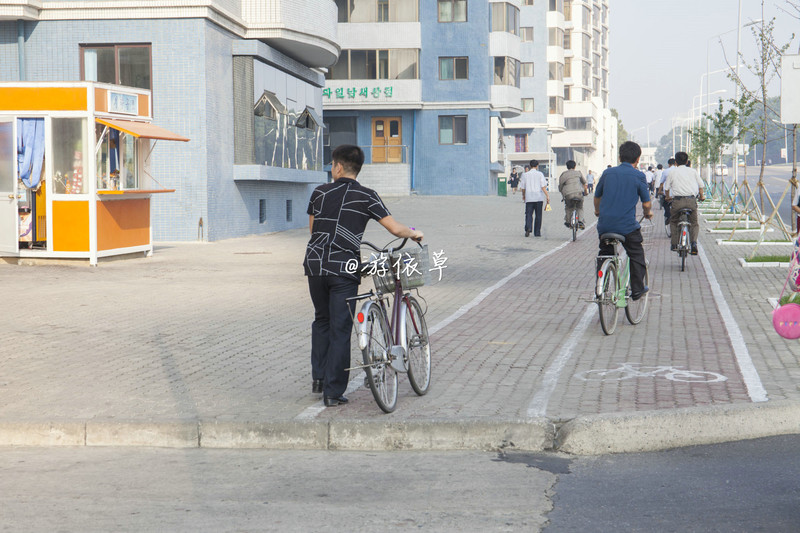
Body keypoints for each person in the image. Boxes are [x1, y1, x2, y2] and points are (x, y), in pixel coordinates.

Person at [304, 144, 423, 407]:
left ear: (337, 167)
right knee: (340, 327)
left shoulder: (319, 192)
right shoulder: (367, 195)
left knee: (321, 320)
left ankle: (319, 379)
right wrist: (413, 231)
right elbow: (394, 228)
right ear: (358, 168)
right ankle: (333, 392)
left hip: (314, 265)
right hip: (344, 269)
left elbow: (313, 230)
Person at [594, 141, 653, 300]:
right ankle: (637, 289)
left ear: (619, 157)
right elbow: (646, 203)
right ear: (638, 159)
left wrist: (598, 211)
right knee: (636, 254)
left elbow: (597, 196)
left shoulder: (607, 173)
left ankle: (601, 287)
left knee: (605, 253)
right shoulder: (639, 176)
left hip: (605, 226)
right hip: (627, 227)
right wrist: (648, 213)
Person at [664, 151, 705, 255]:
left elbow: (667, 188)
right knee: (694, 223)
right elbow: (701, 185)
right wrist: (702, 196)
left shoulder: (672, 172)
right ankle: (694, 243)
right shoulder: (693, 171)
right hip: (691, 201)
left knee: (673, 221)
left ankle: (674, 243)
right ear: (687, 161)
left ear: (675, 162)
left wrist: (668, 197)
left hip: (677, 202)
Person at [519, 159, 550, 237]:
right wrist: (547, 196)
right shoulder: (540, 174)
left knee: (528, 214)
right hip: (539, 197)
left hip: (529, 197)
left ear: (530, 166)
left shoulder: (525, 175)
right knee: (538, 215)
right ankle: (537, 232)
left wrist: (523, 195)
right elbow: (543, 186)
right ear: (537, 166)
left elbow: (523, 188)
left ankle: (528, 228)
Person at [558, 160, 588, 229]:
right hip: (578, 194)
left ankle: (568, 222)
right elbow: (584, 183)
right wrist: (586, 192)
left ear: (567, 167)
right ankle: (580, 221)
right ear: (575, 166)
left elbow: (560, 186)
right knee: (580, 207)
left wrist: (562, 194)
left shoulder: (564, 174)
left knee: (568, 207)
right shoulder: (578, 173)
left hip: (568, 195)